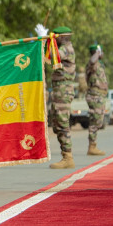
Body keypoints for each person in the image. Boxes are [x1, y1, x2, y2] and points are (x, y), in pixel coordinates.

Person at [46, 26, 76, 169]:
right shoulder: (63, 48)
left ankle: (67, 157)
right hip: (60, 90)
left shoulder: (66, 49)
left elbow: (52, 56)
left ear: (62, 37)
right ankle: (66, 155)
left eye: (55, 38)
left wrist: (45, 41)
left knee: (62, 123)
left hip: (63, 90)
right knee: (57, 123)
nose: (54, 40)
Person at [85, 44, 108, 156]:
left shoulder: (99, 64)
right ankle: (92, 147)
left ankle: (93, 145)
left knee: (98, 121)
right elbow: (92, 61)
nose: (102, 53)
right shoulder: (92, 63)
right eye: (100, 52)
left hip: (100, 96)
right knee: (95, 120)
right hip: (95, 95)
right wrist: (97, 53)